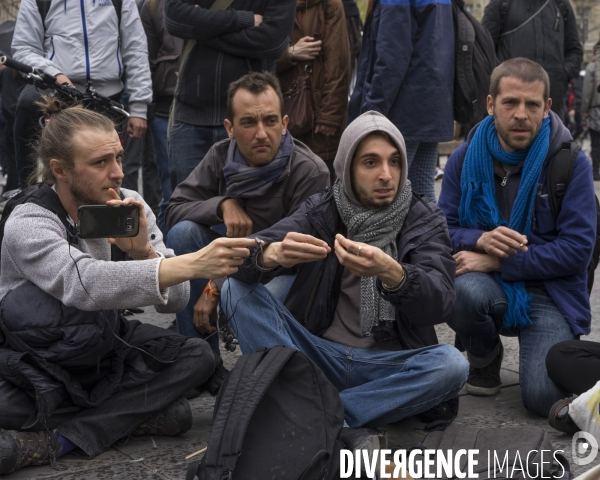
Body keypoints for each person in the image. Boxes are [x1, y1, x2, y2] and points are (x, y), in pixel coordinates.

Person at [0, 101, 256, 474]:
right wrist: (193, 264)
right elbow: (83, 283)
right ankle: (135, 414)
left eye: (119, 157)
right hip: (37, 356)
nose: (118, 173)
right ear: (61, 171)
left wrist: (144, 252)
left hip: (102, 346)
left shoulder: (130, 205)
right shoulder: (29, 220)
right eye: (101, 162)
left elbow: (176, 302)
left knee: (197, 358)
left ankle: (58, 440)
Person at [220, 110, 469, 434]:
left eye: (394, 162)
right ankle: (339, 413)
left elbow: (441, 302)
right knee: (233, 290)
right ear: (347, 168)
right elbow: (239, 256)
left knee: (452, 365)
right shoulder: (323, 209)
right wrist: (271, 254)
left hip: (388, 368)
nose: (386, 175)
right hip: (317, 356)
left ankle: (319, 414)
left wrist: (394, 274)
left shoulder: (423, 218)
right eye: (370, 163)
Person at [438, 58, 597, 417]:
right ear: (491, 104)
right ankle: (484, 356)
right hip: (489, 286)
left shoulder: (570, 163)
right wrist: (479, 240)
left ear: (547, 108)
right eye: (510, 103)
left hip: (550, 290)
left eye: (532, 104)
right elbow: (441, 230)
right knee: (459, 287)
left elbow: (577, 251)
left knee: (543, 399)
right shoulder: (463, 159)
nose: (521, 114)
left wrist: (500, 259)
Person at [165, 72, 330, 355]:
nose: (261, 133)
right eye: (248, 123)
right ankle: (200, 359)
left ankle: (271, 373)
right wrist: (222, 204)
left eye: (270, 120)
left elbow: (297, 238)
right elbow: (174, 210)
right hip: (236, 262)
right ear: (229, 128)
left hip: (287, 272)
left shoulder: (310, 171)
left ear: (284, 123)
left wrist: (216, 284)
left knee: (236, 296)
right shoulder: (220, 155)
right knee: (183, 233)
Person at [11, 0, 152, 188]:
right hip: (58, 93)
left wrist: (139, 107)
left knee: (109, 173)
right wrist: (56, 75)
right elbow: (23, 48)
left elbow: (136, 49)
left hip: (106, 98)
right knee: (27, 104)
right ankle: (24, 189)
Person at [164, 0, 295, 188]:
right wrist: (243, 19)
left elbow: (272, 42)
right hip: (191, 119)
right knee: (187, 208)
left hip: (250, 122)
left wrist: (202, 29)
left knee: (250, 210)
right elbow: (174, 18)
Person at [348, 0, 454, 203]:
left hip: (402, 109)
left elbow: (391, 58)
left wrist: (372, 113)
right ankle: (431, 235)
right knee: (422, 188)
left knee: (389, 191)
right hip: (432, 103)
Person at [276, 0, 350, 181]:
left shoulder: (329, 5)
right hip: (277, 114)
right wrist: (290, 53)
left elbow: (338, 64)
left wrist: (330, 116)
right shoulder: (270, 4)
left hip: (318, 119)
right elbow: (256, 56)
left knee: (320, 185)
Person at [481, 0, 583, 123]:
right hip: (511, 100)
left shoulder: (561, 5)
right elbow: (483, 50)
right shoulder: (501, 4)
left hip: (552, 99)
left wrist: (562, 75)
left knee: (552, 141)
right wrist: (504, 78)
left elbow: (574, 50)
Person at [141, 0, 184, 234]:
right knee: (170, 190)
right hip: (164, 109)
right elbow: (144, 58)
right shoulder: (153, 6)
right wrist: (146, 108)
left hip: (213, 104)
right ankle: (167, 255)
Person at [582, 46, 600, 181]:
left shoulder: (592, 68)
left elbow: (587, 92)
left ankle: (595, 172)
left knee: (595, 143)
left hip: (595, 111)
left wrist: (584, 110)